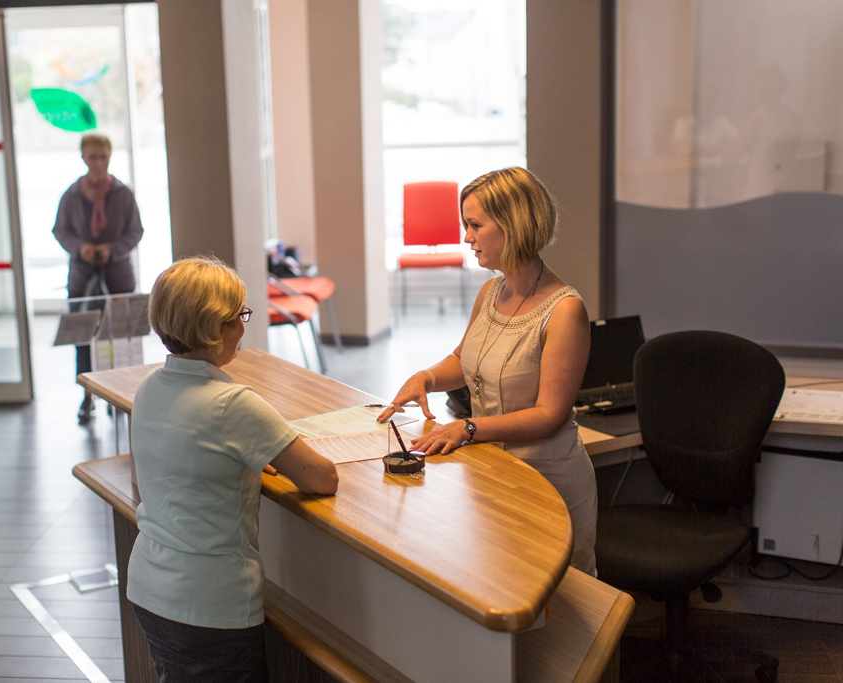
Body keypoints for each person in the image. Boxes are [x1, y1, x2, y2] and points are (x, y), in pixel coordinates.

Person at [127, 256, 339, 682]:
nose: (243, 327)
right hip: (209, 607)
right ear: (216, 326)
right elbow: (321, 478)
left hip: (150, 587)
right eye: (240, 316)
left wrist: (250, 456)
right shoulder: (232, 404)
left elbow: (193, 456)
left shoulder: (150, 386)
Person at [378, 167, 597, 575]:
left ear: (514, 224)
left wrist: (467, 428)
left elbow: (549, 415)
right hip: (494, 471)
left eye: (475, 225)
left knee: (556, 599)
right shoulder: (491, 290)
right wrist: (426, 377)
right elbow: (464, 360)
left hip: (548, 478)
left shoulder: (565, 310)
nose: (466, 237)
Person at [52, 132, 144, 424]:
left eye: (103, 157)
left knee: (119, 338)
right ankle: (87, 395)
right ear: (83, 158)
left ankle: (118, 394)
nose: (98, 162)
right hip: (82, 278)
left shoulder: (122, 193)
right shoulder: (72, 194)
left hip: (118, 277)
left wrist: (111, 250)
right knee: (83, 339)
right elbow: (60, 230)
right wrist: (81, 248)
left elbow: (136, 231)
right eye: (92, 157)